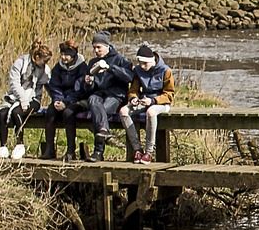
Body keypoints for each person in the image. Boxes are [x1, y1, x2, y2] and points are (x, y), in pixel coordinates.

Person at [81, 31, 133, 161]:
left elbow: (129, 77)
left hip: (116, 95)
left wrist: (110, 68)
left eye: (99, 47)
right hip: (99, 94)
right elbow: (89, 90)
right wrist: (89, 83)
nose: (96, 50)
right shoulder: (92, 62)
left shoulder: (120, 59)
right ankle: (104, 131)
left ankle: (98, 152)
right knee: (93, 100)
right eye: (94, 47)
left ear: (107, 45)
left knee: (100, 110)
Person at [0, 42, 52, 159]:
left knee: (17, 112)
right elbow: (14, 83)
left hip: (33, 98)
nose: (46, 64)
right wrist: (22, 99)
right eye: (44, 61)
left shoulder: (45, 70)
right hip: (15, 96)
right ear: (37, 57)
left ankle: (19, 144)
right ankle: (3, 146)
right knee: (2, 113)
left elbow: (49, 85)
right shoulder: (20, 63)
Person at [122, 44, 173, 164]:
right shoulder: (138, 71)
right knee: (123, 111)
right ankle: (137, 149)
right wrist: (133, 98)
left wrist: (153, 101)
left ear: (152, 61)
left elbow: (169, 95)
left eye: (145, 64)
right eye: (140, 63)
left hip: (161, 102)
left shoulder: (166, 71)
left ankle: (149, 152)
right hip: (144, 100)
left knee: (151, 112)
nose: (142, 66)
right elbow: (133, 89)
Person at [41, 39, 88, 161]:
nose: (63, 57)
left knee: (68, 113)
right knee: (50, 112)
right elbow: (54, 85)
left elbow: (80, 89)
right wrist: (57, 100)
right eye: (62, 54)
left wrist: (66, 102)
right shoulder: (58, 68)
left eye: (67, 55)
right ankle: (50, 148)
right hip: (61, 98)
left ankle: (71, 150)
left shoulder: (82, 67)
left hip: (79, 100)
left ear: (73, 55)